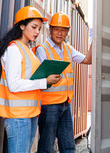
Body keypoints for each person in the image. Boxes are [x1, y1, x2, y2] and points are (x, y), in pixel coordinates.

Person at [0, 6, 61, 153]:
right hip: (18, 116)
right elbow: (13, 85)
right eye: (34, 27)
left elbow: (30, 80)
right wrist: (44, 82)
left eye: (39, 28)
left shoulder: (28, 51)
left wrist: (47, 81)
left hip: (30, 114)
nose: (37, 32)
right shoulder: (14, 50)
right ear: (22, 25)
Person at [35, 12, 92, 153]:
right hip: (49, 107)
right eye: (56, 29)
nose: (60, 33)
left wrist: (95, 40)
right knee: (47, 147)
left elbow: (87, 60)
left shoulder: (67, 48)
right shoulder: (42, 50)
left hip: (65, 104)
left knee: (68, 146)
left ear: (68, 32)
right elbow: (40, 79)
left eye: (63, 30)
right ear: (50, 29)